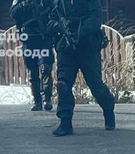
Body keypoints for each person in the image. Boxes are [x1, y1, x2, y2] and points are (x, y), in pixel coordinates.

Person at [47, 0, 115, 136]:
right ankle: (65, 122)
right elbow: (50, 20)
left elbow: (96, 19)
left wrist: (78, 30)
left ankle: (108, 110)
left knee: (95, 84)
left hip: (87, 46)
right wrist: (56, 26)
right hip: (66, 47)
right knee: (63, 84)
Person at [10, 0, 55, 111]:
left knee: (46, 68)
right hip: (29, 38)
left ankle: (47, 99)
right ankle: (37, 101)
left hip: (44, 37)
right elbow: (13, 13)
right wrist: (23, 5)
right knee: (32, 71)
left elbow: (55, 10)